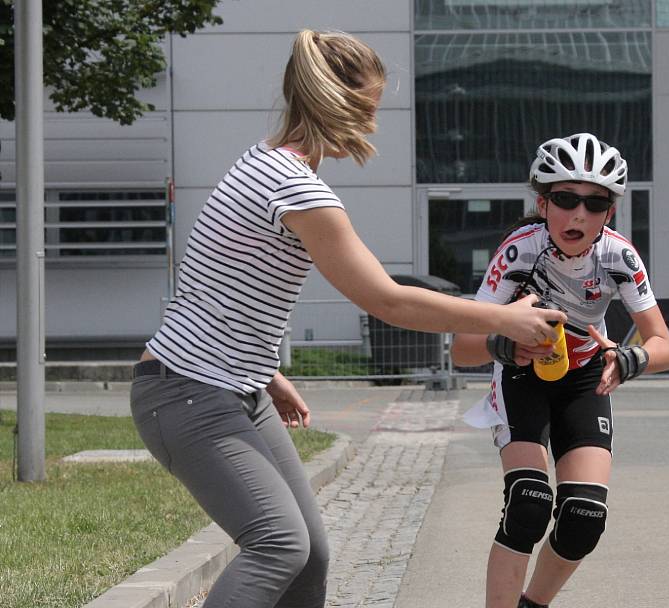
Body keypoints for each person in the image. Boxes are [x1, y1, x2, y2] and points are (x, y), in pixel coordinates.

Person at [129, 30, 564, 608]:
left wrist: (264, 370)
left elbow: (218, 280)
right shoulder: (296, 188)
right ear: (337, 102)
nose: (371, 125)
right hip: (187, 392)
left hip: (232, 385)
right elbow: (388, 301)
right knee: (278, 545)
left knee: (311, 554)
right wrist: (502, 319)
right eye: (368, 108)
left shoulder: (263, 161)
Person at [453, 133, 669, 608]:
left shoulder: (620, 257)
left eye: (595, 204)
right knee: (529, 504)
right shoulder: (520, 251)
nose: (579, 214)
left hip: (585, 375)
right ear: (543, 202)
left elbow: (665, 346)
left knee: (583, 517)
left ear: (609, 213)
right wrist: (507, 344)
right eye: (565, 199)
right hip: (521, 373)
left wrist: (629, 357)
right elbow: (463, 347)